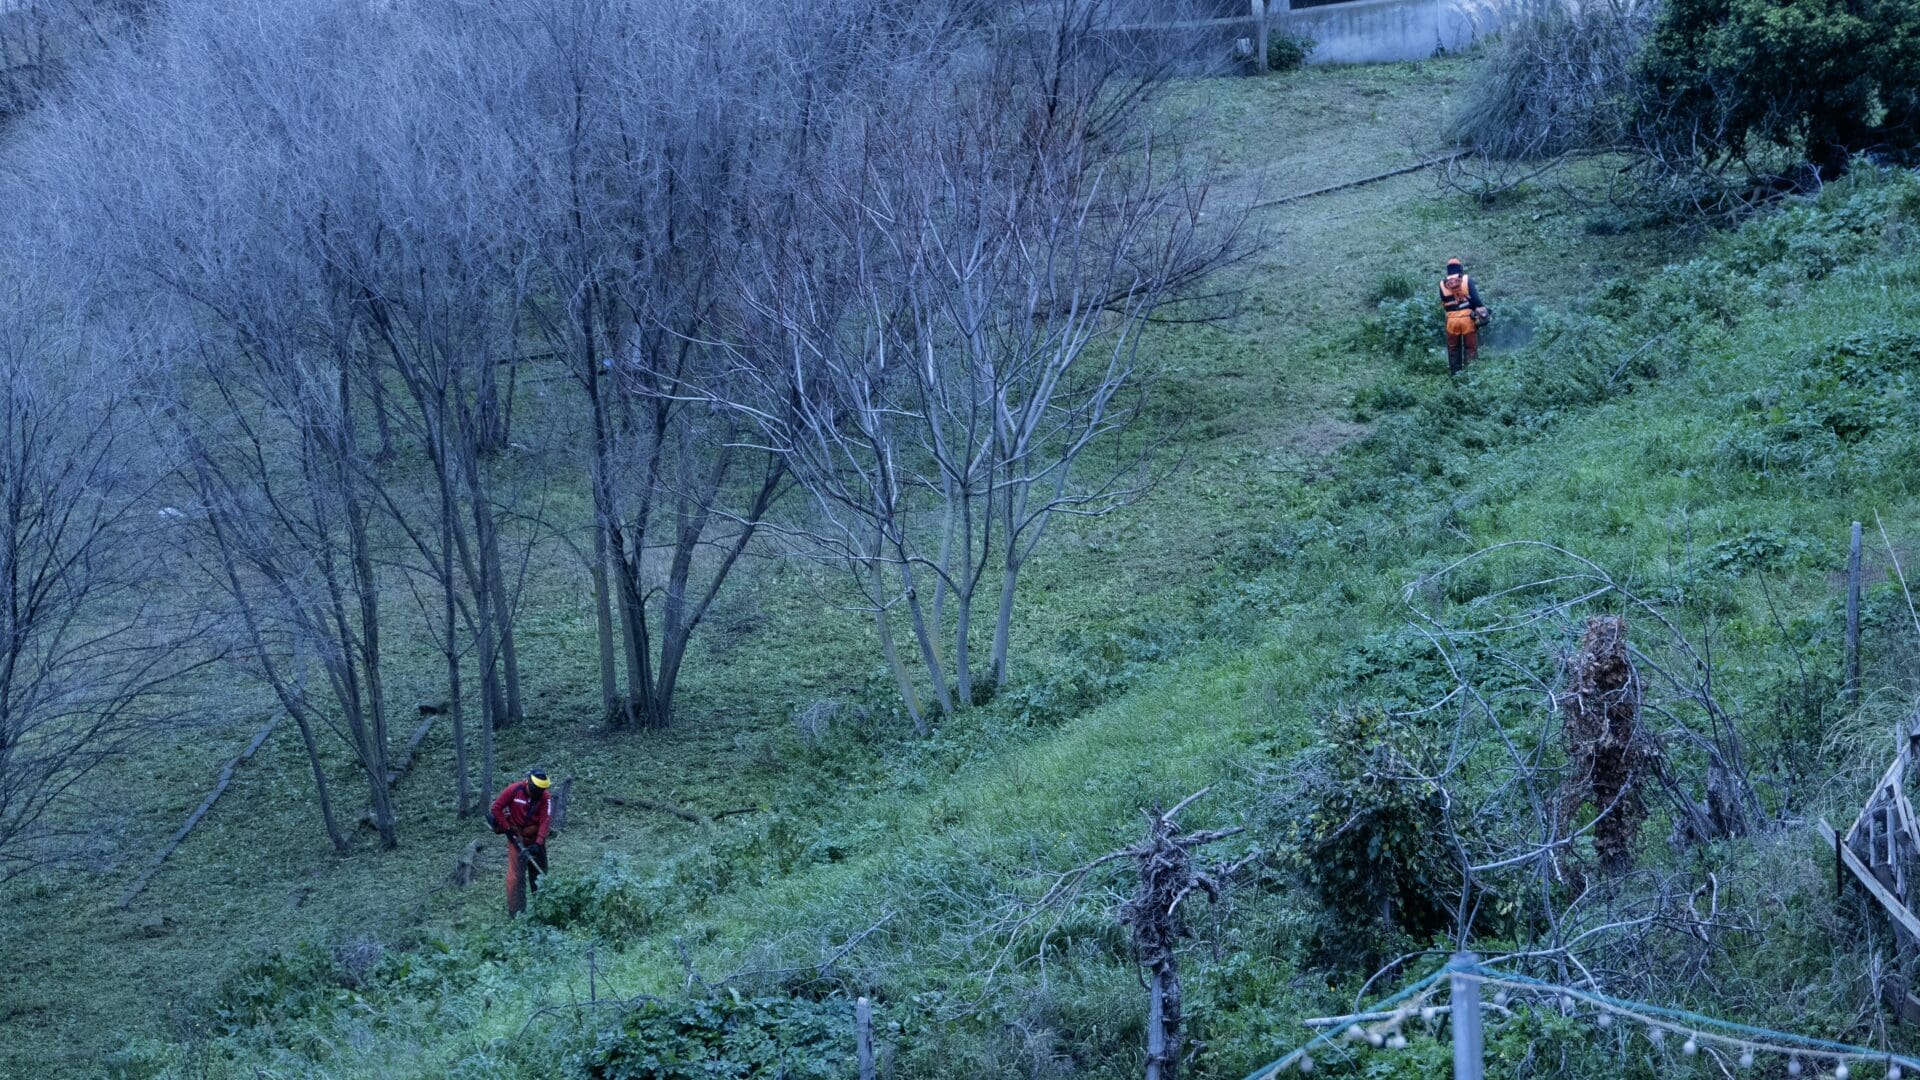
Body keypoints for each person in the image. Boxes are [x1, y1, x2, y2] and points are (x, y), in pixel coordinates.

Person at [488, 769, 553, 917]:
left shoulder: (545, 798)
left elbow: (545, 820)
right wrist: (508, 831)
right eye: (537, 789)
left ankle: (542, 909)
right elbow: (496, 808)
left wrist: (539, 842)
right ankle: (517, 914)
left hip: (535, 838)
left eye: (542, 790)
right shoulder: (514, 790)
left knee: (539, 874)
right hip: (517, 837)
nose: (539, 792)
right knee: (516, 878)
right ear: (529, 783)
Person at [1439, 257, 1489, 375]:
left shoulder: (1442, 284)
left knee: (1453, 349)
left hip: (1451, 322)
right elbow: (1476, 300)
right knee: (1470, 348)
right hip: (1467, 320)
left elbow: (1444, 304)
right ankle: (1471, 374)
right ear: (1460, 268)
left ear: (1448, 270)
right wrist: (1482, 312)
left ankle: (1455, 375)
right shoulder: (1466, 279)